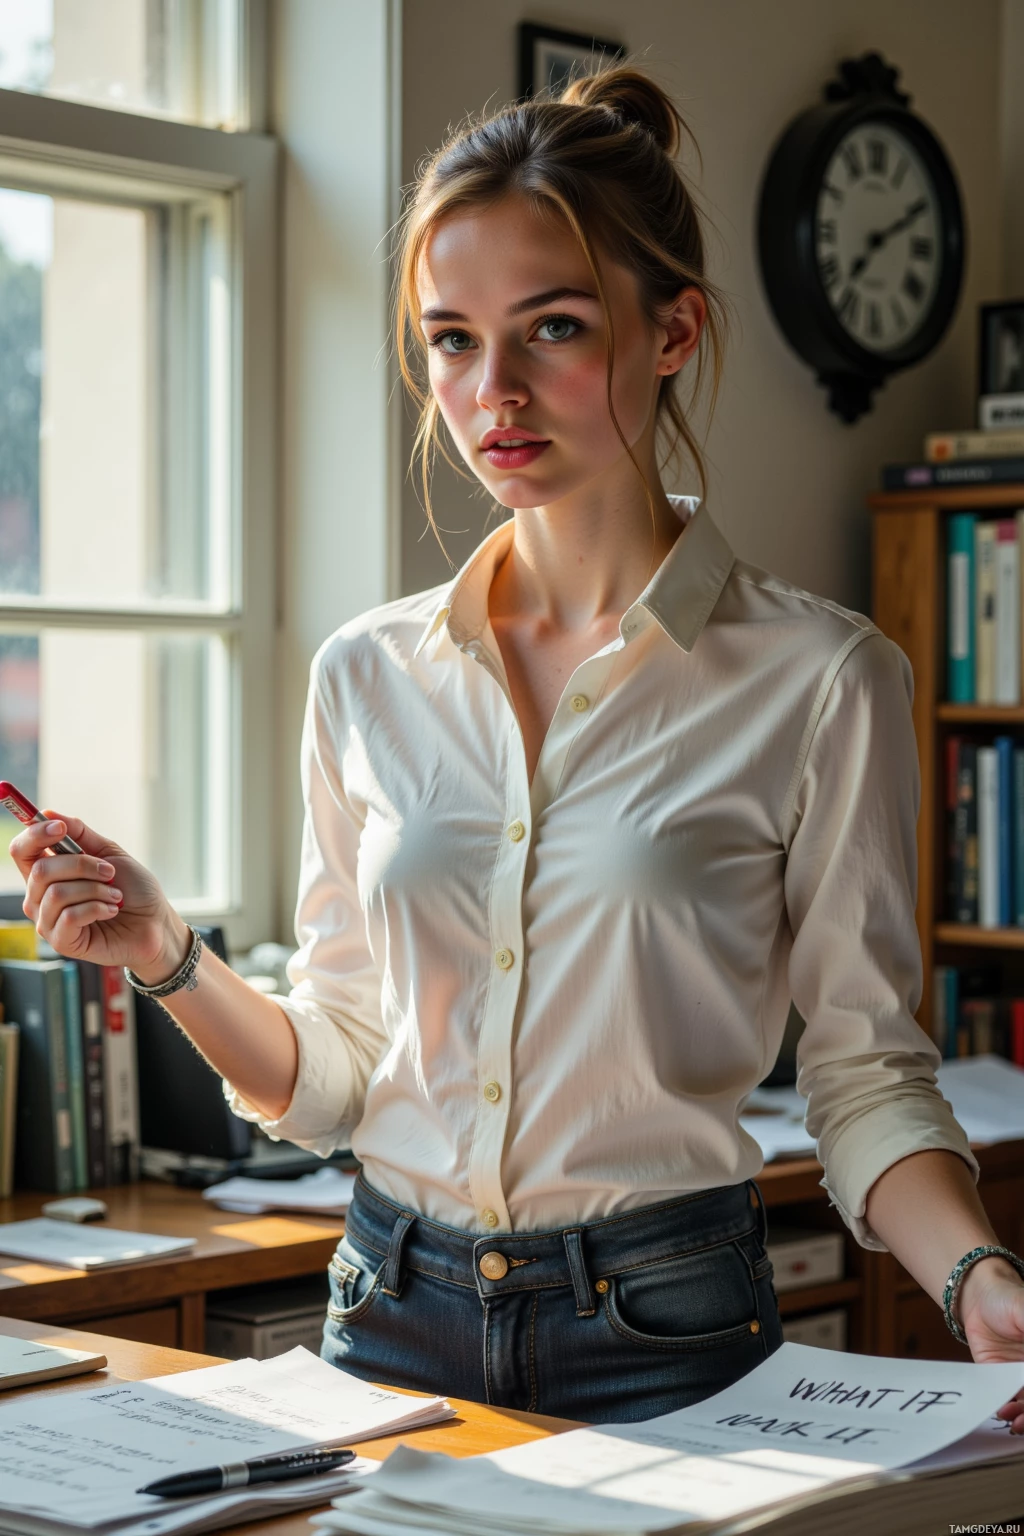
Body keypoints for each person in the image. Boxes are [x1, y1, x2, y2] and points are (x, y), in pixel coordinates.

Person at [11, 65, 1024, 1427]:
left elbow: (865, 1074)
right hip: (381, 1311)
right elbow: (338, 1077)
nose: (492, 391)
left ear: (673, 330)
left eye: (551, 327)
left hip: (669, 1327)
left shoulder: (823, 679)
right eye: (449, 339)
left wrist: (974, 1276)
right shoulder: (366, 677)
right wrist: (165, 953)